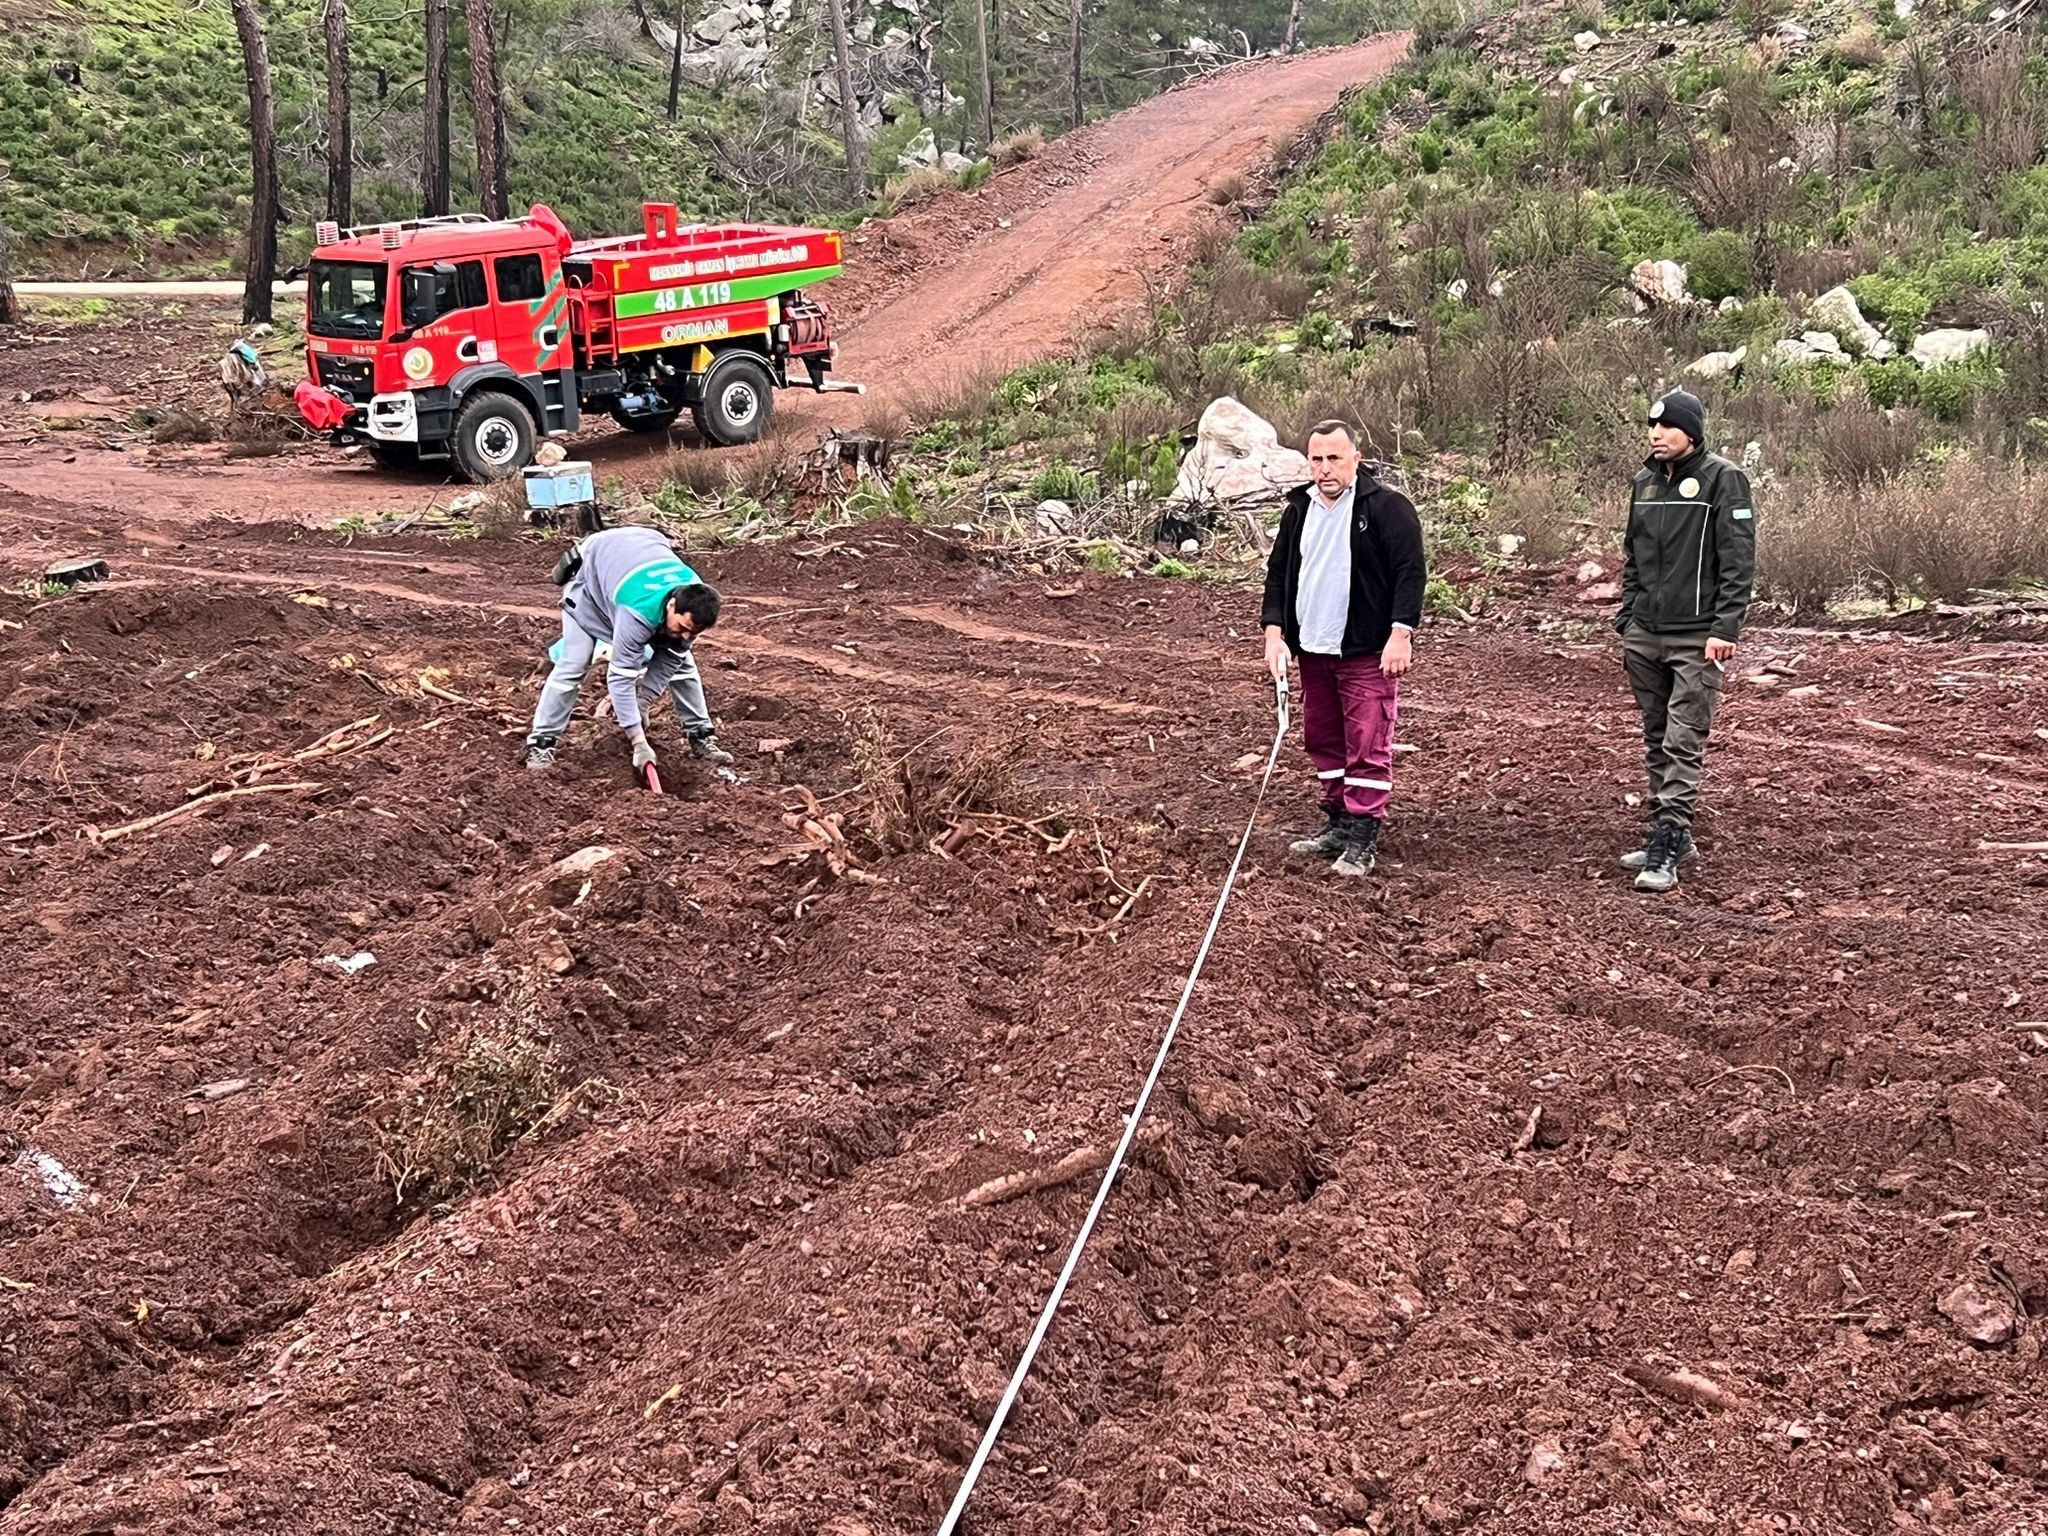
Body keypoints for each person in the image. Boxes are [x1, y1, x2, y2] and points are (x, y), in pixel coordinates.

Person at [1260, 420, 1426, 878]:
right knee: (1323, 738)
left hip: (1365, 650)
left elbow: (1410, 572)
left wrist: (1401, 634)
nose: (1325, 468)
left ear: (1356, 457)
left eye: (1334, 458)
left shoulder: (1387, 508)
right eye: (1316, 459)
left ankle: (1362, 836)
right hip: (1313, 649)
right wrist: (1274, 632)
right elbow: (1279, 573)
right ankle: (1338, 822)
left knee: (1368, 742)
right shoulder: (1299, 509)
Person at [1614, 388, 1756, 893]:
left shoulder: (1723, 479)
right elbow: (1633, 556)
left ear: (1691, 432)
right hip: (1645, 634)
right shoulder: (1644, 482)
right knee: (1657, 736)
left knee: (1683, 740)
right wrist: (1627, 620)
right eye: (1652, 426)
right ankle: (1670, 832)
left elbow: (1738, 560)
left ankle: (1668, 844)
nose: (1656, 434)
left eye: (1667, 426)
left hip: (1697, 636)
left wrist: (1725, 628)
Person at [525, 525, 735, 774]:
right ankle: (542, 742)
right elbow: (620, 677)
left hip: (639, 549)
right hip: (591, 582)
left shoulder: (697, 600)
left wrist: (642, 702)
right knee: (575, 661)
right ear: (671, 605)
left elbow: (670, 659)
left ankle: (701, 736)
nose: (687, 636)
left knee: (683, 664)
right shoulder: (636, 612)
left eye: (694, 633)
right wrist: (638, 740)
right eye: (683, 627)